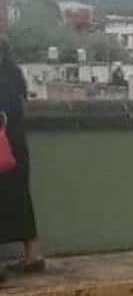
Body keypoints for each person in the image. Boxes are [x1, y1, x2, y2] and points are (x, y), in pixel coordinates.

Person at [0, 36, 44, 274]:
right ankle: (33, 255)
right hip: (16, 149)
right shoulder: (14, 75)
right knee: (21, 200)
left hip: (3, 150)